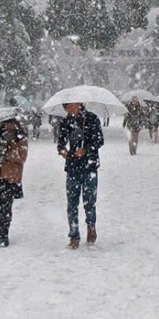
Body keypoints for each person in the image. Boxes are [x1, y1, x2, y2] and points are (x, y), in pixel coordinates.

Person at [56, 102, 104, 249]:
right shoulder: (65, 122)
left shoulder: (92, 119)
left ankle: (91, 226)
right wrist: (62, 149)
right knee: (72, 203)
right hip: (72, 166)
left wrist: (87, 149)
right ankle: (74, 234)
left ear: (78, 104)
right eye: (65, 107)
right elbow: (61, 141)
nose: (67, 109)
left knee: (89, 201)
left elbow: (99, 140)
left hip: (89, 165)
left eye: (69, 106)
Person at [0, 117, 28, 247]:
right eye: (7, 123)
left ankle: (4, 233)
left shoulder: (20, 137)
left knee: (7, 206)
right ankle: (1, 228)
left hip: (11, 176)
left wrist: (7, 153)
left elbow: (22, 157)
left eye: (11, 123)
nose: (9, 125)